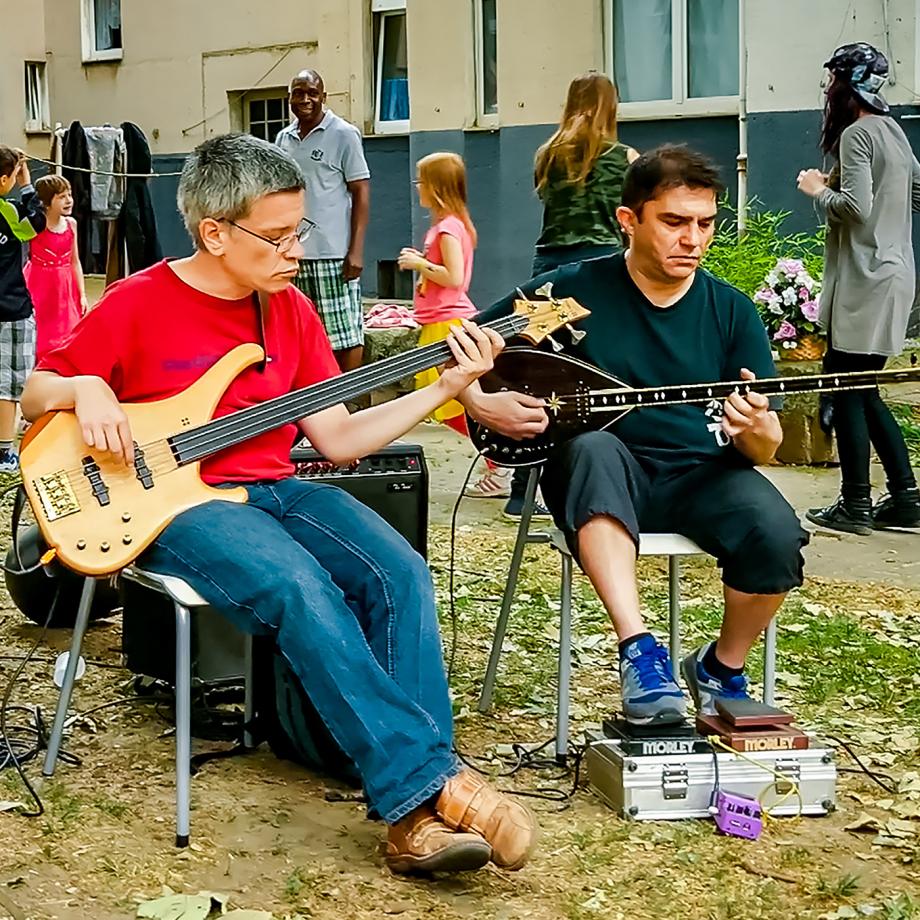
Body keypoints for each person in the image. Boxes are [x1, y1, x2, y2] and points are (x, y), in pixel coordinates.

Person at [21, 133, 535, 876]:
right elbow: (39, 393)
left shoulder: (288, 311)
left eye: (302, 230)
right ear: (215, 233)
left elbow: (338, 439)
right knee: (298, 586)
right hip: (173, 506)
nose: (297, 248)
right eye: (279, 235)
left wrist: (447, 389)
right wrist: (86, 387)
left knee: (398, 571)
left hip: (273, 486)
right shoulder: (140, 302)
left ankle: (413, 810)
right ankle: (434, 786)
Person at [461, 145, 809, 725]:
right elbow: (461, 345)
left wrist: (760, 431)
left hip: (702, 474)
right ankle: (640, 653)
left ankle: (721, 666)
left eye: (705, 224)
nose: (693, 240)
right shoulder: (569, 294)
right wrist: (480, 400)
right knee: (595, 448)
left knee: (776, 534)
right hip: (602, 471)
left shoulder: (732, 312)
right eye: (674, 222)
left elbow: (762, 450)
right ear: (629, 221)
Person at [501, 72, 639, 516]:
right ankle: (603, 480)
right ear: (611, 107)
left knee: (536, 373)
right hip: (599, 271)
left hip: (549, 271)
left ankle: (521, 488)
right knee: (602, 373)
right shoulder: (626, 159)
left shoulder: (547, 155)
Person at [797, 42, 920, 534]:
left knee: (845, 387)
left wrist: (817, 189)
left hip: (865, 279)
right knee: (863, 389)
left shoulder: (857, 134)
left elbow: (856, 210)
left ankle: (856, 504)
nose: (829, 90)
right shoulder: (893, 130)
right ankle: (907, 496)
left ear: (847, 85)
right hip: (895, 274)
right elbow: (914, 194)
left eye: (833, 81)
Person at [275, 69, 370, 372]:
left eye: (312, 93)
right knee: (300, 332)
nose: (305, 99)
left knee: (344, 335)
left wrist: (355, 251)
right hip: (293, 254)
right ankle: (313, 403)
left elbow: (361, 192)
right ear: (289, 98)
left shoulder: (343, 134)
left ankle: (351, 402)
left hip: (332, 253)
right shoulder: (283, 138)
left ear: (323, 97)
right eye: (298, 93)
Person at [398, 151, 478, 436]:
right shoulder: (450, 225)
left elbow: (454, 277)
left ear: (437, 186)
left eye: (422, 181)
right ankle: (496, 463)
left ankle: (497, 462)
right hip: (438, 320)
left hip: (447, 322)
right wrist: (423, 260)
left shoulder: (447, 229)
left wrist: (420, 263)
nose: (417, 186)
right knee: (445, 402)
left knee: (450, 403)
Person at [0, 146, 44, 473]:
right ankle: (4, 453)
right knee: (10, 383)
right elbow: (35, 225)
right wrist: (27, 185)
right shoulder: (8, 212)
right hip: (11, 308)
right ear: (4, 180)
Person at [25, 175, 88, 362]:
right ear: (46, 201)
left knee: (68, 331)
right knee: (40, 332)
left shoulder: (71, 225)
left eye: (69, 195)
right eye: (61, 197)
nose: (69, 200)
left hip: (65, 286)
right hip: (39, 285)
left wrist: (82, 293)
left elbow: (75, 261)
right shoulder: (35, 227)